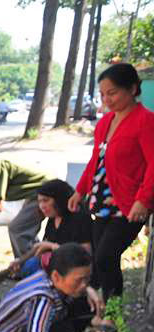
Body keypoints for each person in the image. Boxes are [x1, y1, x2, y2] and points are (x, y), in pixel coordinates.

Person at [70, 62, 154, 301]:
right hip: (101, 199)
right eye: (103, 94)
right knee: (100, 258)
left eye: (112, 93)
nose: (106, 99)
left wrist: (143, 200)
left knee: (106, 255)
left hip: (129, 204)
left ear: (133, 89)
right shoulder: (105, 122)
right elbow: (96, 159)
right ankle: (102, 307)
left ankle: (112, 308)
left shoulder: (146, 121)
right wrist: (80, 190)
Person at [9, 179, 93, 279]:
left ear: (59, 199)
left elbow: (85, 254)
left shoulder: (80, 218)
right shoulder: (53, 219)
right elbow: (41, 247)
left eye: (45, 200)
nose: (42, 206)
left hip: (74, 272)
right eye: (39, 201)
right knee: (29, 266)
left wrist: (52, 246)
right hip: (58, 267)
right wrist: (20, 261)